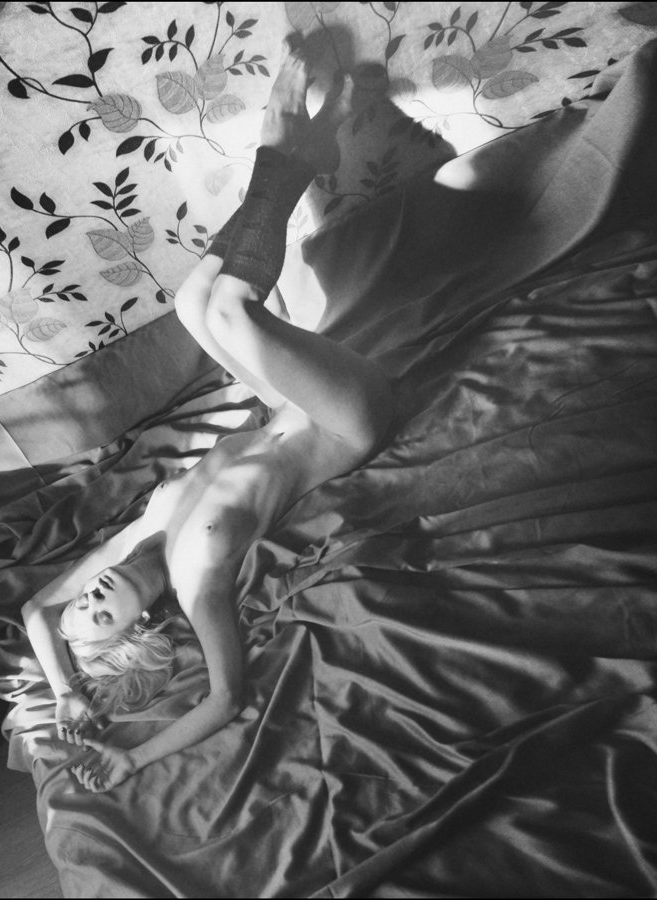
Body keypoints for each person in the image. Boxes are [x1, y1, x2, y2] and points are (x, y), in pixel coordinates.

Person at [21, 34, 394, 792]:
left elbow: (35, 610)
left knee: (193, 301)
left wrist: (63, 691)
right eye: (100, 614)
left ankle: (301, 150)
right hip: (342, 422)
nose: (89, 594)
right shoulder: (198, 586)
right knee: (230, 308)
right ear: (139, 629)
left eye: (84, 599)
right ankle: (287, 144)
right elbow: (227, 698)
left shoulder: (138, 536)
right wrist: (132, 757)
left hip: (281, 407)